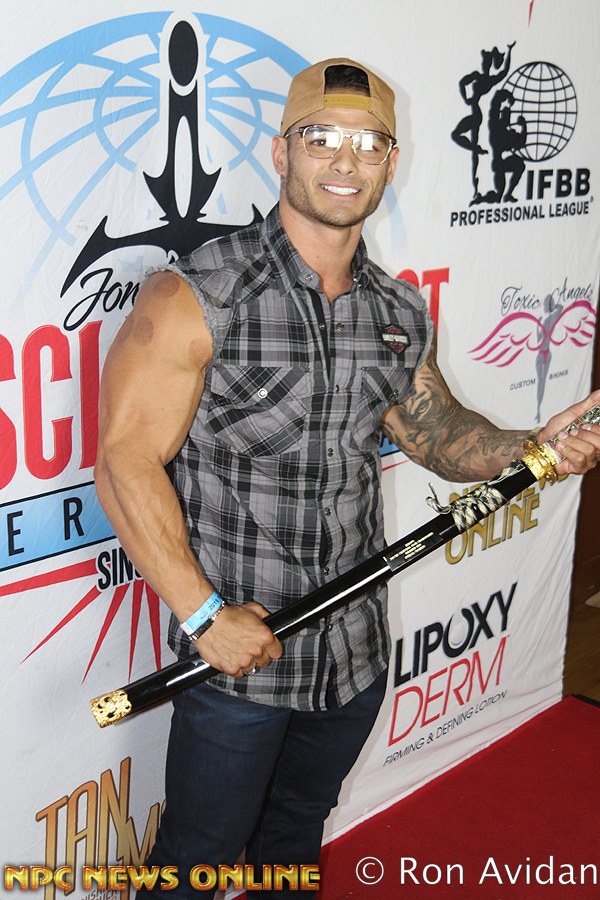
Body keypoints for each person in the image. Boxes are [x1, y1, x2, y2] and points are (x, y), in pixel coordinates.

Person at [94, 58, 600, 898]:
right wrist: (204, 615)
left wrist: (531, 445)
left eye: (368, 145)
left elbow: (439, 434)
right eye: (321, 138)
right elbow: (124, 461)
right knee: (194, 866)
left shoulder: (395, 310)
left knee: (293, 840)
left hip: (352, 657)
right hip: (242, 664)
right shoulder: (197, 295)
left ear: (391, 164)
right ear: (281, 151)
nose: (344, 161)